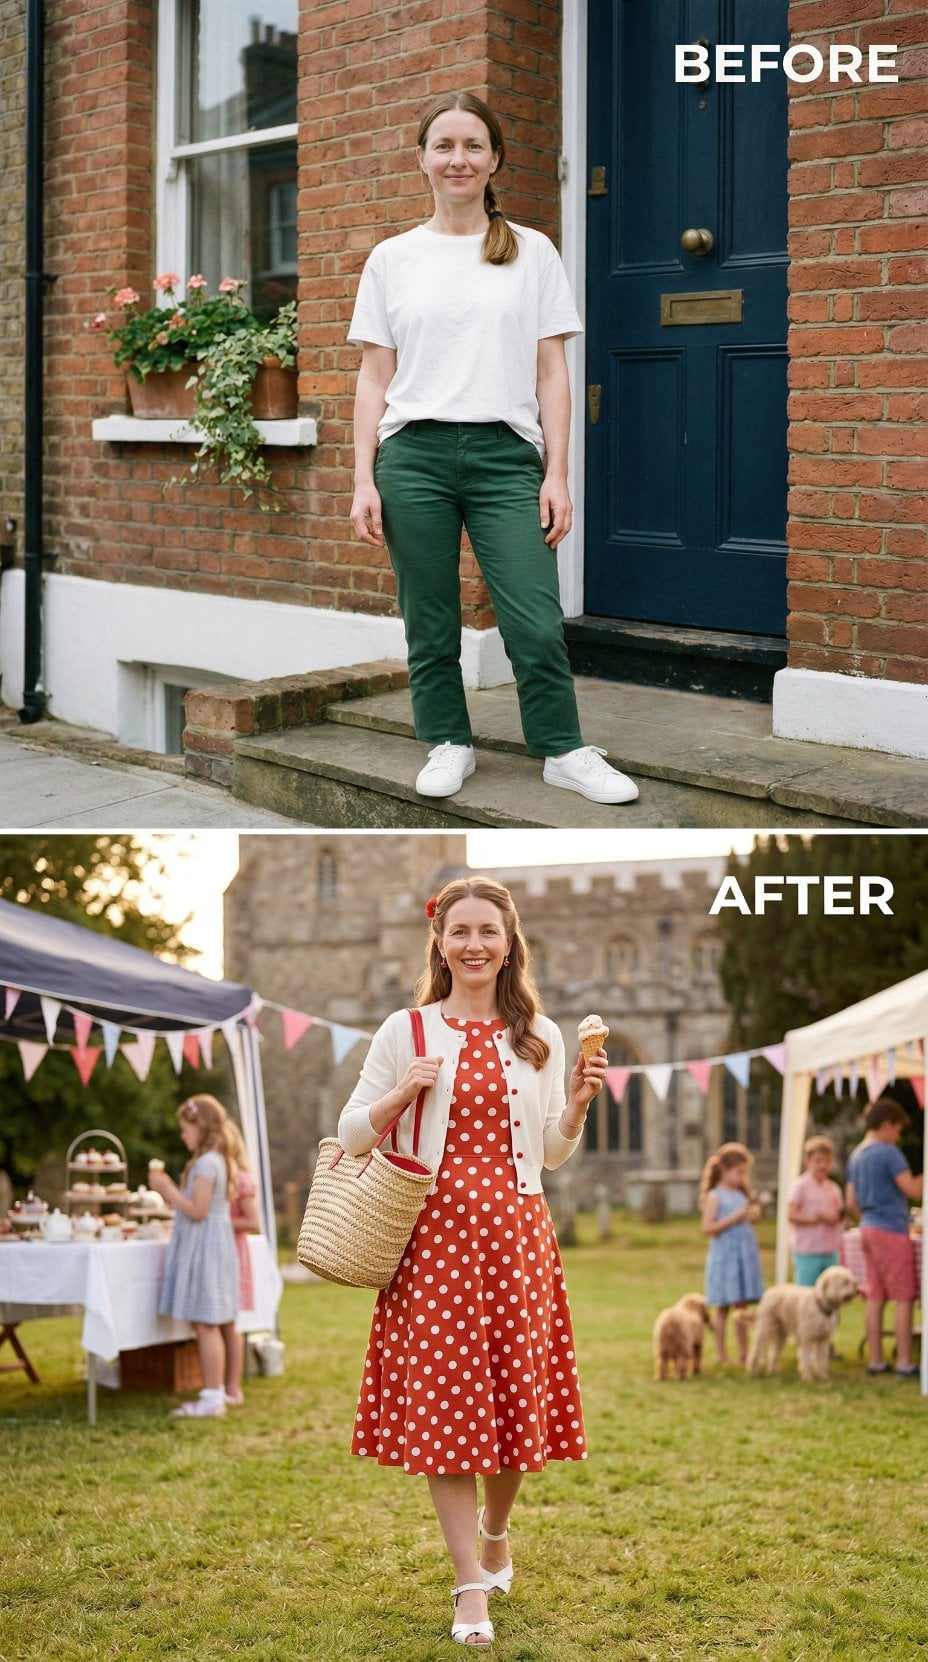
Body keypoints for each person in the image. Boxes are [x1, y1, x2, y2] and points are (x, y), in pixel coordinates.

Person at [347, 89, 639, 808]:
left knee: (535, 618)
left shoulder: (531, 251)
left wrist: (558, 473)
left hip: (506, 456)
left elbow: (551, 371)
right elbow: (373, 376)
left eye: (472, 145)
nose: (458, 158)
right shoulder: (392, 259)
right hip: (411, 456)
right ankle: (448, 740)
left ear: (494, 159)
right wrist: (362, 479)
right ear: (421, 160)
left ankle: (563, 750)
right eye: (443, 145)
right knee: (431, 616)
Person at [338, 876, 605, 1646]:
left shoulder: (543, 1037)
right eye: (461, 931)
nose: (475, 944)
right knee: (449, 1415)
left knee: (515, 1408)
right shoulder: (407, 1032)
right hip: (433, 1247)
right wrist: (400, 1097)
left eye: (489, 930)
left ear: (509, 942)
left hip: (518, 1241)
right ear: (440, 942)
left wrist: (579, 1107)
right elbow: (354, 1132)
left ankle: (496, 1530)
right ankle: (468, 1590)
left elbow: (550, 1154)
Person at [149, 1094, 239, 1419]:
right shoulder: (217, 1160)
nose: (182, 1135)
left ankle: (212, 1398)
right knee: (207, 1322)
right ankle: (215, 1394)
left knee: (205, 1324)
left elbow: (198, 1210)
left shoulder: (206, 1163)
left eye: (185, 1128)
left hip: (205, 1249)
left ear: (200, 1126)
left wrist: (168, 1190)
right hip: (213, 1246)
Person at [845, 1098, 922, 1378]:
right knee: (904, 1296)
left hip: (866, 1227)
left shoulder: (857, 1155)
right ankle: (904, 1361)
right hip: (890, 1229)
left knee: (875, 1296)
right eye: (898, 1129)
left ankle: (875, 1360)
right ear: (887, 1125)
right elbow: (911, 1189)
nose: (899, 1135)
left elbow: (851, 1200)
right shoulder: (889, 1152)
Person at [700, 1142, 764, 1365]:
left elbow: (746, 1216)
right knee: (723, 1307)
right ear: (725, 1169)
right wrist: (736, 1217)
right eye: (739, 1172)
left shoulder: (740, 1193)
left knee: (742, 1306)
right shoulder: (715, 1196)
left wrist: (752, 1215)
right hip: (725, 1258)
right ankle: (721, 1354)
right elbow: (708, 1228)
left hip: (744, 1255)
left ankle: (745, 1353)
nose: (742, 1177)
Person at [222, 1120, 261, 1408]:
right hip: (219, 1251)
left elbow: (252, 1221)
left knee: (229, 1323)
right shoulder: (219, 1177)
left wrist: (219, 1222)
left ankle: (233, 1386)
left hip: (232, 1254)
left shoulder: (242, 1180)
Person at [788, 1134, 844, 1287]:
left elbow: (839, 1215)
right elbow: (791, 1214)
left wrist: (834, 1219)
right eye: (818, 1161)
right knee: (807, 1295)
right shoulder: (800, 1186)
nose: (823, 1166)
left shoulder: (833, 1188)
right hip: (807, 1251)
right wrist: (817, 1218)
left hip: (830, 1250)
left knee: (832, 1293)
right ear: (808, 1161)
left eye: (827, 1161)